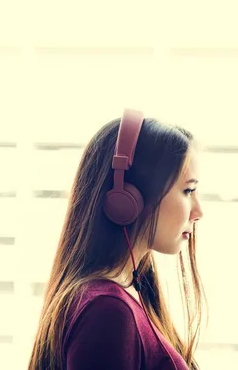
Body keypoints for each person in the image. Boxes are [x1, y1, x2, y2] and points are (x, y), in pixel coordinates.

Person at [27, 109, 206, 369]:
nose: (198, 212)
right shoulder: (106, 310)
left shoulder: (129, 291)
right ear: (127, 197)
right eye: (188, 190)